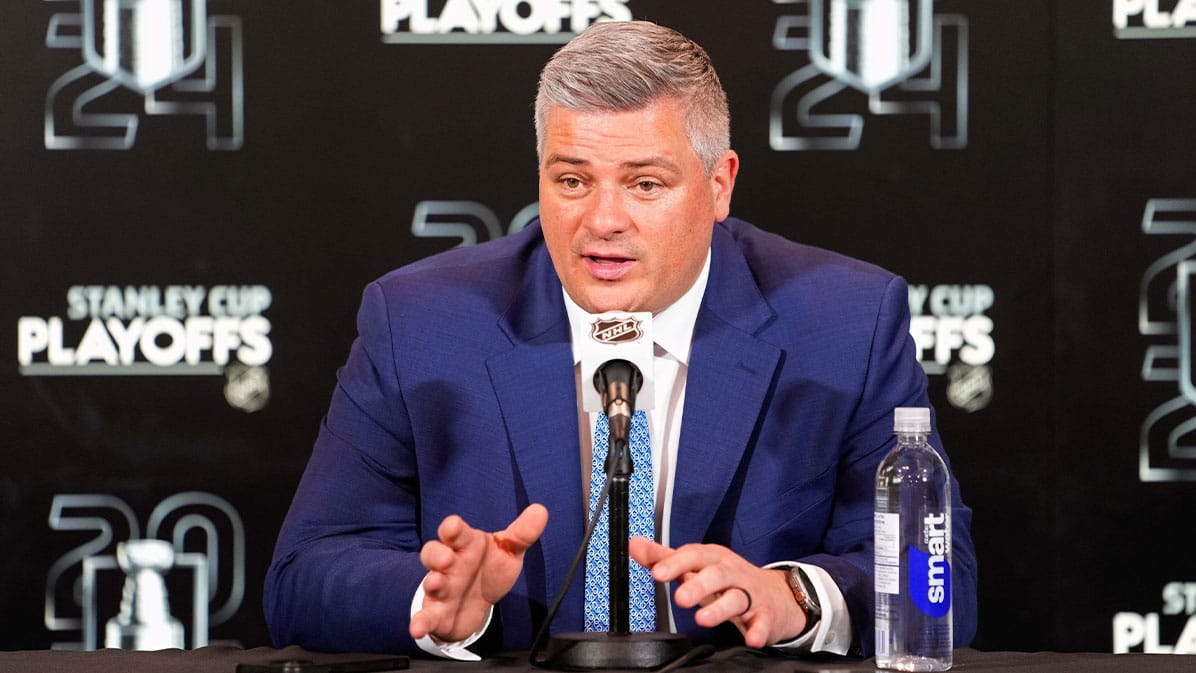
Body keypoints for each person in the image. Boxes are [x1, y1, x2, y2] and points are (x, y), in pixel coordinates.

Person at [264, 20, 977, 659]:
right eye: (572, 179)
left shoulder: (844, 322)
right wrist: (436, 603)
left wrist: (797, 596)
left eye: (645, 184)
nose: (603, 220)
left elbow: (940, 582)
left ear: (719, 184)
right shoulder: (421, 321)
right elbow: (304, 573)